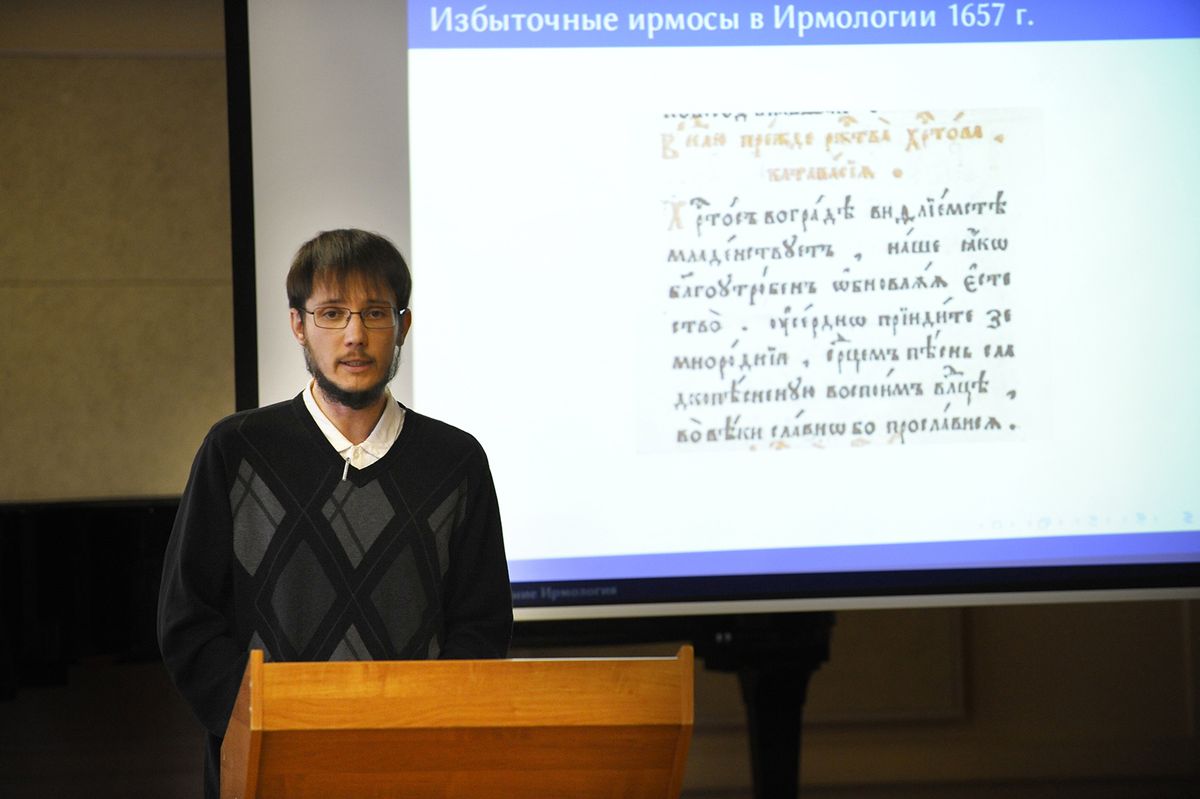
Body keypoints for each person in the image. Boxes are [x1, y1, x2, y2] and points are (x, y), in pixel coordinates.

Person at [158, 228, 512, 799]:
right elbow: (187, 621)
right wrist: (265, 723)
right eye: (331, 313)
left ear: (403, 325)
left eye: (375, 313)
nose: (355, 335)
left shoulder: (456, 460)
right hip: (270, 763)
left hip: (414, 767)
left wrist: (429, 729)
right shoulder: (235, 449)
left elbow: (482, 624)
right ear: (298, 325)